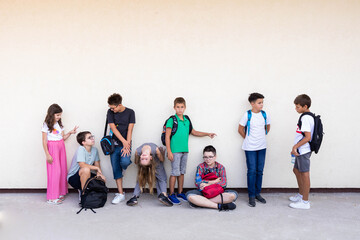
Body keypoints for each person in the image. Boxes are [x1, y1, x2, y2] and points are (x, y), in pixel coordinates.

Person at [165, 97, 216, 204]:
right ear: (174, 107)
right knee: (175, 172)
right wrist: (169, 151)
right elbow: (167, 136)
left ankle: (180, 192)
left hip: (185, 150)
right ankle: (171, 194)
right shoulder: (171, 120)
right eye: (178, 107)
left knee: (182, 172)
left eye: (182, 107)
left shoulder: (187, 120)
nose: (180, 109)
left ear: (185, 108)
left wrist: (207, 134)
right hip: (174, 150)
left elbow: (194, 132)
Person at [238, 93, 271, 207]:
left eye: (262, 102)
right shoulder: (247, 115)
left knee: (260, 170)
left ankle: (258, 194)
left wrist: (263, 134)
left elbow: (268, 126)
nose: (261, 104)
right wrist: (248, 138)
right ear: (252, 104)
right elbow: (240, 128)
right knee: (251, 171)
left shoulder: (264, 114)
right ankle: (251, 196)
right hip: (250, 147)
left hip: (262, 147)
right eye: (259, 102)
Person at [41, 104, 78, 204]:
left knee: (61, 170)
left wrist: (70, 132)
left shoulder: (59, 124)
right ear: (51, 114)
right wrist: (47, 154)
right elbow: (44, 141)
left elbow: (62, 138)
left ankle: (59, 193)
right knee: (54, 171)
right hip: (52, 148)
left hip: (61, 147)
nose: (59, 117)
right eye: (57, 115)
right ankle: (52, 197)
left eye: (60, 115)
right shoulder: (46, 125)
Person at [186, 145, 237, 211]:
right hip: (204, 192)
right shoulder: (201, 167)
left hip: (217, 192)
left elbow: (224, 183)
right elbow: (197, 183)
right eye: (205, 157)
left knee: (233, 195)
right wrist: (214, 181)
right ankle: (219, 206)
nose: (208, 159)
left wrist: (207, 184)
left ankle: (201, 203)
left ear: (215, 157)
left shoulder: (220, 167)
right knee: (189, 196)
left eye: (210, 157)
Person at [107, 93, 135, 204]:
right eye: (110, 108)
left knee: (125, 162)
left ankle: (123, 167)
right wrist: (123, 142)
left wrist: (126, 144)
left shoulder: (130, 112)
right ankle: (120, 193)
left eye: (113, 108)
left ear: (119, 105)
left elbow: (130, 129)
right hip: (114, 144)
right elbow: (113, 128)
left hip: (126, 142)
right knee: (115, 168)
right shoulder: (110, 112)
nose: (112, 110)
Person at [289, 94, 314, 210]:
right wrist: (295, 148)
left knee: (305, 174)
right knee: (296, 170)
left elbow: (308, 137)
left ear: (305, 106)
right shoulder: (305, 116)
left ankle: (305, 202)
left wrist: (295, 146)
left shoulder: (306, 118)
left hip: (303, 151)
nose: (296, 109)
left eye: (298, 107)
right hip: (300, 150)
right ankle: (301, 195)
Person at [67, 131, 106, 201]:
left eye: (92, 137)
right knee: (86, 169)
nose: (92, 139)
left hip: (86, 175)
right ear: (83, 142)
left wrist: (100, 174)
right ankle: (83, 194)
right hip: (74, 178)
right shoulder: (81, 149)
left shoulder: (95, 150)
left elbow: (97, 165)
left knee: (102, 178)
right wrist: (96, 168)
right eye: (89, 138)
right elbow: (82, 165)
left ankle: (88, 191)